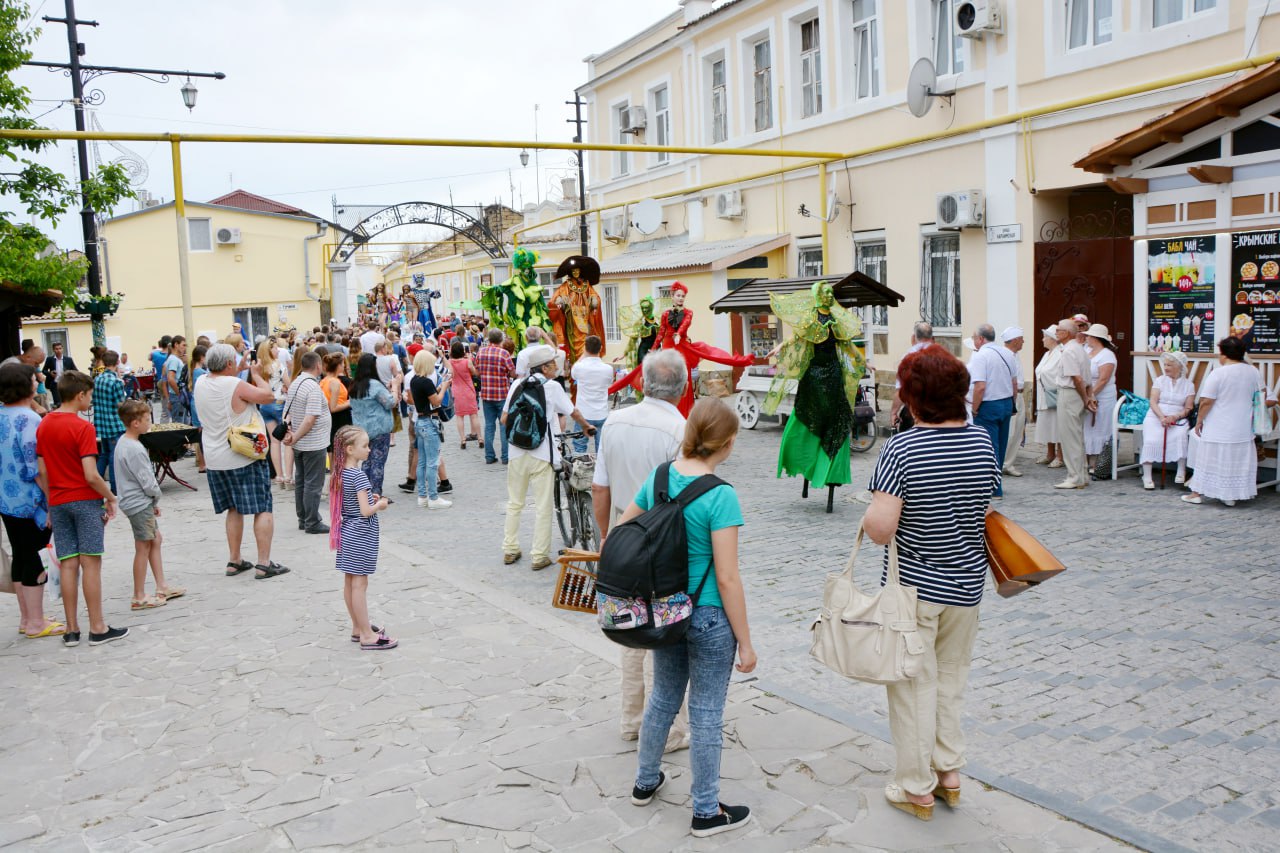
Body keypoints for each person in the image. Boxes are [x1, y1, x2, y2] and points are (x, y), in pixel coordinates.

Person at [862, 344, 999, 822]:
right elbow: (982, 508)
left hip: (915, 588)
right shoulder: (982, 441)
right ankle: (949, 773)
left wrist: (869, 510)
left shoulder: (902, 448)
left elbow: (881, 529)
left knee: (912, 685)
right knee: (951, 680)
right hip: (966, 584)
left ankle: (915, 786)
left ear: (913, 397)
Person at [623, 398, 755, 838]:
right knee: (705, 711)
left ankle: (645, 781)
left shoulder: (660, 476)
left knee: (663, 697)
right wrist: (747, 643)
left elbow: (626, 529)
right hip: (709, 617)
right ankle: (705, 810)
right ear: (729, 443)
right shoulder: (721, 495)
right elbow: (728, 577)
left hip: (667, 610)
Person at [591, 349, 691, 753]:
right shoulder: (681, 430)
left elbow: (600, 487)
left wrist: (605, 535)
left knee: (629, 622)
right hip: (665, 537)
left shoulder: (614, 422)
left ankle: (633, 718)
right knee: (667, 628)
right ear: (684, 388)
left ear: (642, 383)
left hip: (622, 526)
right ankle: (669, 728)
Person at [36, 370, 127, 647]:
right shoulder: (83, 428)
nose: (91, 400)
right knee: (91, 563)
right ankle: (97, 627)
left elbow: (42, 470)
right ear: (80, 395)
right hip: (85, 500)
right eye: (89, 395)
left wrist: (52, 500)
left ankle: (71, 629)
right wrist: (110, 497)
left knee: (68, 563)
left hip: (59, 501)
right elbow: (91, 474)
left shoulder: (45, 424)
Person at [194, 344, 289, 580]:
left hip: (216, 457)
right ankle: (264, 563)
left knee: (233, 508)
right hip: (243, 455)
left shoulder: (201, 382)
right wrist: (256, 375)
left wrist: (241, 371)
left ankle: (234, 560)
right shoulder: (234, 385)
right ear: (228, 364)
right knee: (262, 506)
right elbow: (267, 396)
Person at [763, 281, 865, 490]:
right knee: (808, 414)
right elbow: (797, 336)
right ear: (818, 295)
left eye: (831, 292)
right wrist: (779, 347)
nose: (829, 295)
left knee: (837, 417)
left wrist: (861, 360)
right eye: (825, 292)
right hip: (813, 375)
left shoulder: (835, 320)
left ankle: (830, 469)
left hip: (834, 374)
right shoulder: (811, 318)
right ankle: (803, 459)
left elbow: (845, 342)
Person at [500, 346, 596, 569]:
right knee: (543, 506)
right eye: (553, 363)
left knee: (515, 503)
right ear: (544, 367)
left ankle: (510, 549)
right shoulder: (552, 387)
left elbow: (505, 418)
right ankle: (539, 555)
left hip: (516, 453)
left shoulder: (517, 383)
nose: (556, 366)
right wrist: (586, 427)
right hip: (541, 454)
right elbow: (574, 412)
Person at [617, 282, 754, 417]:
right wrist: (653, 348)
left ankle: (685, 413)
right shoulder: (665, 314)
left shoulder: (688, 312)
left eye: (683, 296)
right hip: (668, 347)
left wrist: (679, 334)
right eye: (678, 295)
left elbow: (685, 323)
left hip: (682, 346)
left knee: (684, 377)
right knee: (666, 377)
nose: (681, 298)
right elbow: (661, 333)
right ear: (672, 296)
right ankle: (665, 409)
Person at [0, 363, 62, 638]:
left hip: (6, 498)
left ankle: (28, 618)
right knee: (37, 558)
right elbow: (35, 467)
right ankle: (36, 622)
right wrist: (51, 500)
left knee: (20, 555)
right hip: (30, 501)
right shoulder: (30, 420)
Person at [329, 425, 396, 649]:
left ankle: (358, 627)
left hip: (348, 529)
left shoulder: (340, 474)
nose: (368, 449)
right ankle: (367, 635)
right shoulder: (358, 476)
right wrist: (380, 504)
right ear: (349, 449)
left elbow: (353, 504)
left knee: (350, 581)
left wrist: (369, 498)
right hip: (361, 532)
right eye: (365, 446)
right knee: (360, 583)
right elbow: (366, 511)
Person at [115, 399, 184, 610]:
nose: (149, 423)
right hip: (138, 502)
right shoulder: (135, 448)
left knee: (155, 539)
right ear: (135, 422)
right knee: (143, 545)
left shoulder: (123, 442)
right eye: (146, 419)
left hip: (135, 501)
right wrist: (155, 498)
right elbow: (148, 481)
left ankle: (161, 585)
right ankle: (139, 595)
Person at [1184, 336, 1265, 506]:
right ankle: (1229, 495)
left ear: (1224, 354)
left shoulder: (1218, 373)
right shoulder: (1253, 371)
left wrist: (1199, 420)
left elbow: (1206, 401)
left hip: (1218, 424)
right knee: (1234, 459)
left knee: (1209, 457)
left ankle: (1196, 493)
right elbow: (1261, 394)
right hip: (1242, 425)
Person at [283, 351, 332, 534]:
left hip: (300, 443)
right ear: (318, 365)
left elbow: (288, 411)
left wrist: (291, 433)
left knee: (302, 480)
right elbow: (310, 419)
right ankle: (312, 521)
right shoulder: (312, 388)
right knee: (313, 482)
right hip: (312, 442)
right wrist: (295, 436)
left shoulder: (296, 382)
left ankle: (303, 517)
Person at [967, 324, 1019, 497]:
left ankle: (993, 487)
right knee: (1001, 445)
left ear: (981, 339)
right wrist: (1012, 404)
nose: (974, 341)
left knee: (987, 447)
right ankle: (996, 483)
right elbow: (1014, 383)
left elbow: (980, 386)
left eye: (974, 338)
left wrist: (974, 410)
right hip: (1005, 403)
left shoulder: (981, 356)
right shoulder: (1007, 353)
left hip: (989, 404)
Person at [1140, 351, 1195, 490]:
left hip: (1177, 417)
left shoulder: (1188, 385)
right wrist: (1162, 417)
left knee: (1180, 434)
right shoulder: (1160, 380)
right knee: (1150, 440)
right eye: (1165, 364)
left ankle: (1181, 471)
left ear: (1179, 366)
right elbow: (1153, 402)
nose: (1166, 368)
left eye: (1169, 365)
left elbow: (1188, 408)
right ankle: (1147, 476)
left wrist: (1175, 417)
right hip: (1156, 415)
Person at [1052, 318, 1096, 489]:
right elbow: (1086, 378)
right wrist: (1087, 396)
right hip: (1076, 394)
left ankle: (1075, 476)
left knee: (1070, 437)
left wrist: (1085, 398)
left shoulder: (1070, 351)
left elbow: (1077, 378)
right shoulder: (1079, 349)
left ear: (1067, 333)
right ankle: (1082, 474)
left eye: (1059, 330)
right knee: (1077, 436)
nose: (1056, 332)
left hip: (1070, 394)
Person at [409, 350, 453, 509]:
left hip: (419, 421)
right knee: (433, 462)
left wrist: (440, 386)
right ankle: (433, 497)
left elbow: (426, 396)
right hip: (429, 422)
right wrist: (445, 387)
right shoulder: (426, 382)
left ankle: (422, 496)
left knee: (422, 462)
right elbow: (436, 401)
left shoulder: (414, 380)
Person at [349, 353, 397, 496]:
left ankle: (363, 492)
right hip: (379, 429)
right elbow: (390, 402)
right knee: (377, 462)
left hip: (361, 430)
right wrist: (394, 387)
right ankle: (375, 493)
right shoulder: (374, 385)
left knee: (366, 461)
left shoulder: (354, 385)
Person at [548, 255, 607, 371]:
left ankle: (588, 367)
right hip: (572, 324)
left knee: (587, 343)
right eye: (573, 271)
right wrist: (560, 301)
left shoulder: (587, 286)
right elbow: (557, 297)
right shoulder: (565, 286)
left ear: (580, 272)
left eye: (577, 270)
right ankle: (575, 370)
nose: (575, 272)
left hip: (586, 322)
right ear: (570, 272)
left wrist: (595, 302)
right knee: (574, 348)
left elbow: (595, 296)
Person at [1082, 324, 1119, 474]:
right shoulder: (1087, 351)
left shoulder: (1107, 355)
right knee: (1088, 427)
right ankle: (1086, 458)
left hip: (1103, 396)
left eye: (1089, 336)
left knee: (1101, 426)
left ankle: (1098, 462)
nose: (1086, 338)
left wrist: (1091, 396)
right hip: (1088, 394)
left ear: (1096, 338)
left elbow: (1103, 379)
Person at [256, 339, 293, 489]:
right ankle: (289, 476)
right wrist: (285, 387)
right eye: (275, 348)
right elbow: (289, 385)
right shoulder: (278, 365)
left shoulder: (260, 368)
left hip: (265, 405)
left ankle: (279, 475)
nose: (278, 351)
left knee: (274, 441)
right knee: (288, 439)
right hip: (280, 404)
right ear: (269, 350)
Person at [91, 350, 127, 494]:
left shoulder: (97, 379)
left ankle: (94, 483)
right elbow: (121, 404)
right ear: (117, 362)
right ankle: (115, 487)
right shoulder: (116, 382)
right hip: (114, 423)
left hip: (101, 423)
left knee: (104, 455)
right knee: (114, 457)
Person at [478, 327, 515, 465]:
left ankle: (489, 456)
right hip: (502, 394)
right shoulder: (504, 354)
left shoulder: (481, 352)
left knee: (488, 426)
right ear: (501, 339)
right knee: (504, 425)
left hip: (487, 394)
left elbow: (477, 371)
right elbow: (512, 373)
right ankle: (505, 457)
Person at [570, 335, 613, 454]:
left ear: (585, 348)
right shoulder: (608, 369)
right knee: (601, 449)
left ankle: (580, 470)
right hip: (601, 413)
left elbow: (573, 373)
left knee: (579, 447)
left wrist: (584, 354)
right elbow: (609, 383)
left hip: (583, 414)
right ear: (601, 348)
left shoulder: (579, 367)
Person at [890, 322, 935, 430]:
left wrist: (894, 412)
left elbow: (901, 391)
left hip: (916, 411)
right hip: (939, 410)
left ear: (913, 338)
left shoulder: (908, 358)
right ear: (933, 338)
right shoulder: (943, 356)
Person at [1033, 327, 1063, 468]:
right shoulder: (1047, 354)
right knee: (1047, 425)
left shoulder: (1061, 353)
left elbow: (1058, 373)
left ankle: (1060, 456)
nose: (1042, 339)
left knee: (1058, 425)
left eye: (1045, 337)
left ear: (1052, 339)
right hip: (1043, 395)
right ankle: (1049, 454)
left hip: (1054, 394)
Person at [999, 328, 1027, 477]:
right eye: (1021, 339)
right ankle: (1001, 462)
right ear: (1015, 340)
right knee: (1009, 431)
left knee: (1018, 432)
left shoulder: (1016, 355)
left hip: (1020, 394)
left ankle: (1009, 463)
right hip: (1010, 396)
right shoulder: (1004, 355)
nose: (1023, 341)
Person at [448, 340, 481, 450]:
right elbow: (474, 373)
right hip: (469, 390)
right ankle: (480, 437)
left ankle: (462, 439)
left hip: (457, 390)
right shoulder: (467, 361)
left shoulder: (450, 362)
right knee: (474, 414)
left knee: (460, 416)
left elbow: (450, 374)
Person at [321, 352, 353, 452]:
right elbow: (333, 407)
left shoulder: (324, 380)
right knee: (340, 452)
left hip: (332, 420)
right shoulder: (334, 382)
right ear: (338, 366)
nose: (344, 366)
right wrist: (349, 402)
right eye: (343, 364)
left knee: (334, 452)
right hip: (339, 419)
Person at [163, 336, 190, 424]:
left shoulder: (175, 359)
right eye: (183, 345)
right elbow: (170, 379)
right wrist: (179, 394)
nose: (185, 348)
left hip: (176, 395)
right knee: (180, 424)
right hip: (177, 396)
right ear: (176, 345)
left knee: (184, 423)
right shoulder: (174, 360)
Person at [43, 341, 76, 407]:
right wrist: (50, 374)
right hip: (55, 384)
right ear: (53, 350)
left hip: (66, 384)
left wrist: (69, 374)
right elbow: (44, 370)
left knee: (66, 402)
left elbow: (75, 370)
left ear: (62, 349)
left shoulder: (69, 359)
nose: (58, 350)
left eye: (60, 348)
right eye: (56, 349)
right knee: (57, 403)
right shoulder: (50, 359)